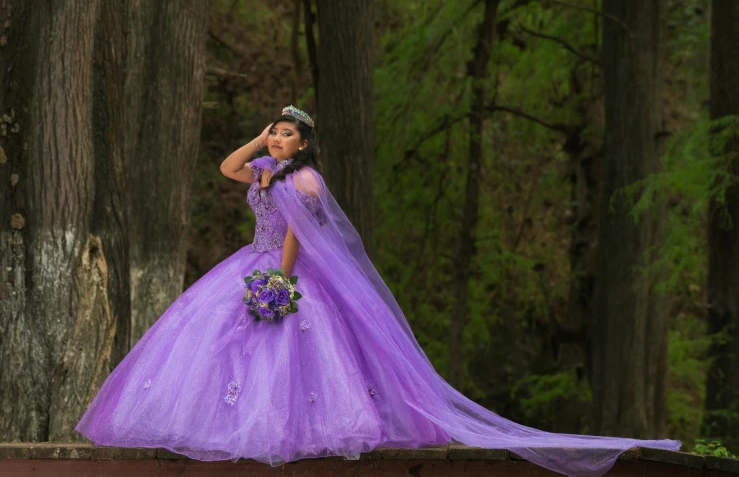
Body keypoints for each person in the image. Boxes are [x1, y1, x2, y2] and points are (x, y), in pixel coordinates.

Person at [75, 105, 681, 476]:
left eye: (287, 134)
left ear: (305, 144)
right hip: (248, 260)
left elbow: (294, 233)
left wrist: (282, 279)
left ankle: (290, 437)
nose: (280, 140)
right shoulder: (265, 166)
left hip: (281, 266)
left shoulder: (305, 180)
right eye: (278, 132)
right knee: (220, 347)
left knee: (292, 348)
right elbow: (228, 170)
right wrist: (258, 141)